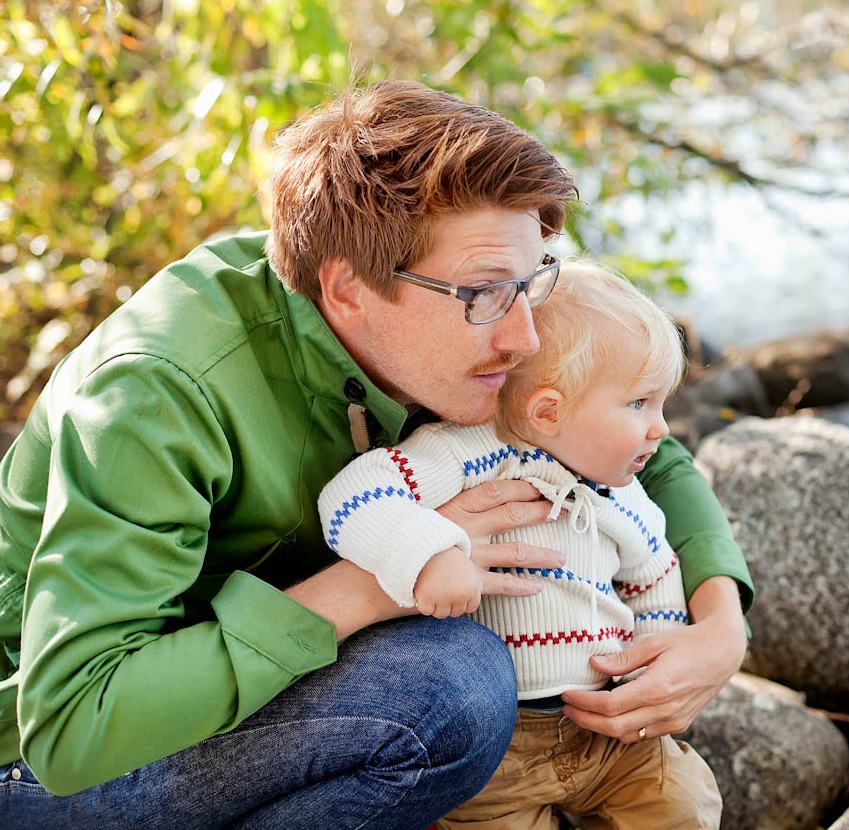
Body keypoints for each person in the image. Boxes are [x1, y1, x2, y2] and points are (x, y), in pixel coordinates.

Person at [0, 80, 753, 829]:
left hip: (261, 692)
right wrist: (385, 578)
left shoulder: (455, 320)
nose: (523, 334)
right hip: (45, 766)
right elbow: (74, 729)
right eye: (488, 293)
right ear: (347, 290)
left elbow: (616, 437)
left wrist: (718, 628)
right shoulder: (155, 393)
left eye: (531, 283)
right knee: (447, 687)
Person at [318, 260, 722, 828]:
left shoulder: (623, 493)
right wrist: (429, 553)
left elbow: (654, 578)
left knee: (681, 803)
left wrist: (650, 666)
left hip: (607, 734)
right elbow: (353, 497)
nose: (662, 429)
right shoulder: (468, 454)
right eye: (639, 405)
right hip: (496, 748)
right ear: (549, 411)